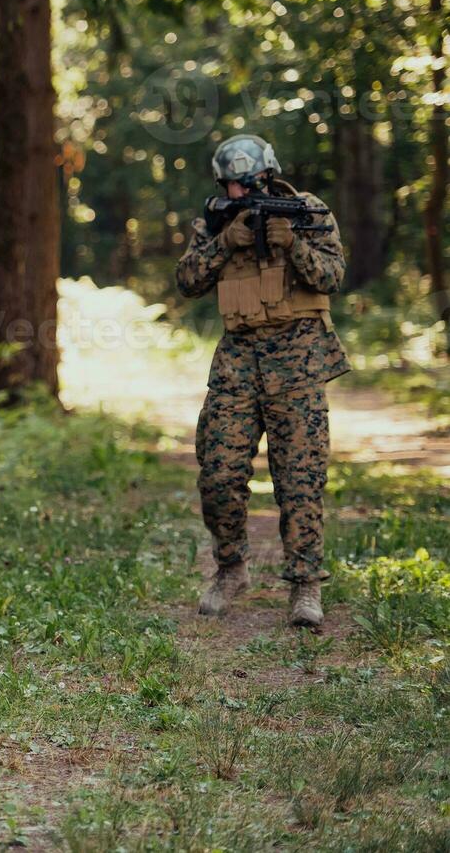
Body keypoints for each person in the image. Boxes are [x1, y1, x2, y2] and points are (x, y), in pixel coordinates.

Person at [176, 133, 348, 627]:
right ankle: (231, 569)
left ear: (265, 177)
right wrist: (223, 242)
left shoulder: (306, 211)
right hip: (237, 362)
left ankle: (305, 586)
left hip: (299, 361)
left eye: (244, 185)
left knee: (301, 481)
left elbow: (332, 277)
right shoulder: (216, 221)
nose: (236, 194)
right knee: (219, 472)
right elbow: (187, 281)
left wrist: (293, 246)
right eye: (229, 186)